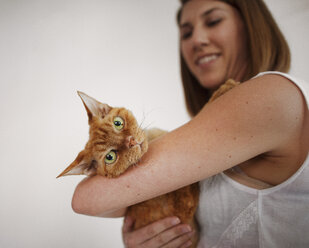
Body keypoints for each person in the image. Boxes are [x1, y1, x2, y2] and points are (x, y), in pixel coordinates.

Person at [71, 0, 309, 247]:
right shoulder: (224, 128)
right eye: (186, 33)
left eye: (214, 21)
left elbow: (86, 198)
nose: (197, 40)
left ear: (251, 24)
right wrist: (150, 233)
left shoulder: (271, 95)